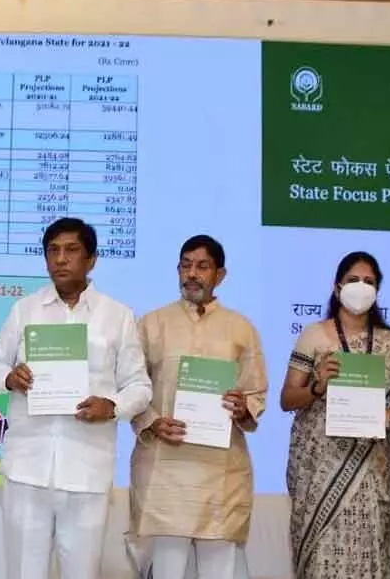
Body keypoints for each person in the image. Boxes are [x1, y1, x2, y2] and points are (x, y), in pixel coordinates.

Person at [0, 217, 152, 579]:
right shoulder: (24, 310)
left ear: (92, 260)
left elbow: (140, 386)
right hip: (28, 468)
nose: (60, 259)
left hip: (86, 470)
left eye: (71, 250)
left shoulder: (117, 317)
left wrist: (113, 407)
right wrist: (10, 378)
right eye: (52, 251)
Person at [281, 251, 390, 579]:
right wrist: (317, 386)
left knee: (367, 562)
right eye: (353, 280)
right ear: (337, 286)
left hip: (369, 472)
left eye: (368, 282)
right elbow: (287, 399)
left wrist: (389, 416)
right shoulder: (314, 335)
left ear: (377, 290)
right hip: (318, 474)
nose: (360, 287)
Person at [128, 235, 267, 579]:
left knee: (219, 568)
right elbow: (131, 388)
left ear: (220, 275)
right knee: (167, 568)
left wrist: (242, 407)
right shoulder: (151, 323)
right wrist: (153, 421)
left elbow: (256, 391)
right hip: (165, 469)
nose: (192, 273)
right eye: (185, 265)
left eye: (202, 266)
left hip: (220, 473)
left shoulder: (241, 328)